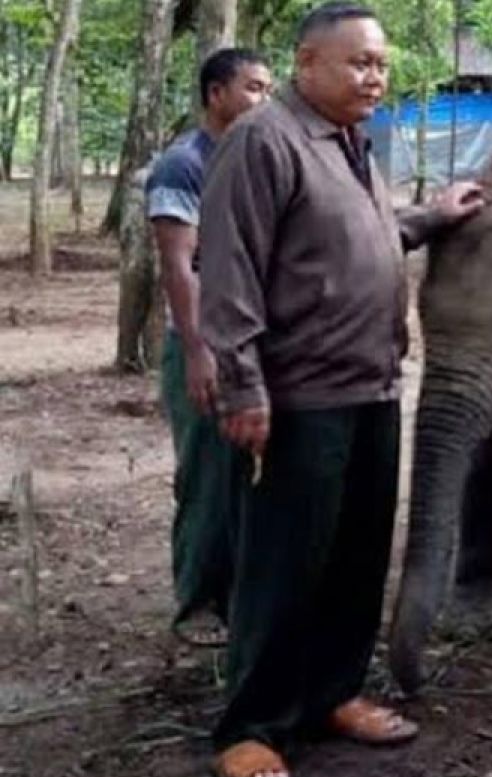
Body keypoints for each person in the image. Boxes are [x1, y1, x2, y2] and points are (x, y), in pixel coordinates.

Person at [197, 3, 485, 777]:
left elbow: (358, 236)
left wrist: (430, 218)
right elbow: (228, 272)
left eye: (382, 64)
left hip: (370, 385)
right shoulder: (264, 141)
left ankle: (331, 692)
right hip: (297, 395)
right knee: (284, 563)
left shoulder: (353, 142)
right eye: (358, 62)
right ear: (306, 64)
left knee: (355, 556)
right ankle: (252, 725)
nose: (376, 76)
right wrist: (244, 385)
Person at [147, 47, 272, 648]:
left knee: (251, 474)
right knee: (206, 475)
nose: (263, 101)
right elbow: (178, 264)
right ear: (216, 94)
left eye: (270, 89)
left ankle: (240, 593)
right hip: (203, 344)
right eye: (252, 88)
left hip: (253, 344)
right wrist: (200, 352)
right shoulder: (184, 164)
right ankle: (197, 602)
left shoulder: (254, 159)